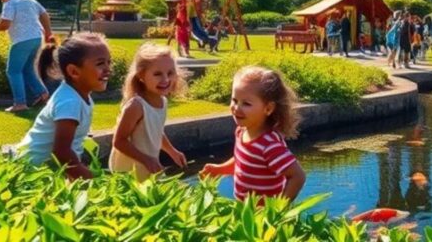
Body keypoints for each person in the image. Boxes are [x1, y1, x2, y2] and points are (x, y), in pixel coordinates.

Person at [201, 66, 307, 201]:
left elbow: (298, 176)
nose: (236, 108)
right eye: (234, 100)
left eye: (246, 103)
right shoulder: (241, 131)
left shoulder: (269, 145)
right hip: (244, 210)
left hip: (261, 218)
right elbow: (242, 162)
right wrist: (220, 169)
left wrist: (278, 210)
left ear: (268, 108)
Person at [16, 33, 112, 180]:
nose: (108, 69)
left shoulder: (77, 96)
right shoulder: (70, 102)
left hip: (46, 169)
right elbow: (61, 152)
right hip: (32, 171)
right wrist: (90, 179)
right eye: (100, 64)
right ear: (74, 71)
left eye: (108, 63)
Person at [110, 44, 187, 179]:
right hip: (128, 173)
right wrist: (146, 159)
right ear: (141, 76)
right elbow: (119, 141)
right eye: (157, 74)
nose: (165, 79)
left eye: (170, 73)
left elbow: (154, 131)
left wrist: (172, 151)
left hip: (146, 169)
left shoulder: (162, 101)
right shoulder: (136, 106)